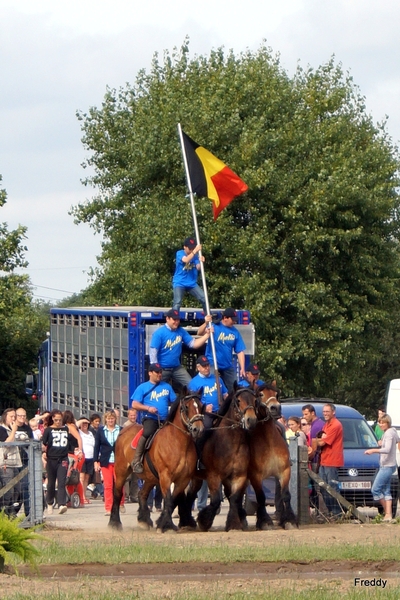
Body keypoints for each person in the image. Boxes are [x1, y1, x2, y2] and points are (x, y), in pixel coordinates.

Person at [188, 355, 228, 510]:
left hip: (220, 413)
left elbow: (225, 395)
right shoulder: (194, 383)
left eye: (208, 365)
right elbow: (191, 402)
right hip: (205, 415)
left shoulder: (217, 379)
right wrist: (204, 407)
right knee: (203, 431)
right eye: (203, 366)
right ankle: (198, 458)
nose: (206, 368)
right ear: (198, 367)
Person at [130, 363, 177, 473]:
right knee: (148, 432)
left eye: (160, 372)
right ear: (150, 373)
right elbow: (134, 404)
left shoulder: (167, 387)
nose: (159, 374)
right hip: (151, 418)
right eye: (157, 372)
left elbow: (175, 402)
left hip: (166, 419)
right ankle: (137, 460)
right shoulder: (143, 387)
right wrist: (148, 408)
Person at [149, 308, 211, 388]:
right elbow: (153, 352)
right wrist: (156, 370)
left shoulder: (180, 331)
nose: (176, 322)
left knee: (192, 386)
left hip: (176, 368)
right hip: (162, 369)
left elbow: (193, 344)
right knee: (155, 388)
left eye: (178, 319)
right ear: (167, 319)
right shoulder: (159, 333)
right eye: (174, 319)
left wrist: (207, 335)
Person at [42, 409, 82, 515]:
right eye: (56, 420)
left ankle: (61, 504)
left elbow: (72, 443)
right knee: (51, 483)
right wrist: (43, 452)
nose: (58, 422)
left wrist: (77, 449)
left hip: (63, 459)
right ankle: (49, 503)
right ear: (52, 419)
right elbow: (43, 443)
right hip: (51, 459)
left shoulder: (66, 429)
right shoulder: (48, 430)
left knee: (62, 481)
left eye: (60, 420)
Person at [197, 308, 246, 392]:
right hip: (212, 363)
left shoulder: (235, 332)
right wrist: (206, 323)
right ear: (225, 318)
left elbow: (240, 351)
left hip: (227, 365)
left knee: (234, 389)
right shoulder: (214, 326)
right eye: (232, 320)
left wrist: (242, 368)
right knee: (212, 387)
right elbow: (199, 332)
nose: (234, 322)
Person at [365, 413, 400, 522]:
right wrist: (382, 443)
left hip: (386, 466)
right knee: (386, 491)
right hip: (389, 465)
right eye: (379, 422)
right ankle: (388, 516)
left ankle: (387, 512)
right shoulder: (391, 432)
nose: (380, 424)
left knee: (375, 489)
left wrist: (373, 450)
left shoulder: (389, 433)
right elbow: (396, 441)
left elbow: (387, 449)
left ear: (387, 423)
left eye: (382, 422)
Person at [93, 410, 125, 516]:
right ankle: (108, 507)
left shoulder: (121, 430)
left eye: (112, 418)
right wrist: (95, 462)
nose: (110, 420)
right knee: (108, 485)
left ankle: (121, 503)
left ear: (115, 419)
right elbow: (96, 447)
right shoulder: (101, 431)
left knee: (119, 484)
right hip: (106, 461)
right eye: (108, 418)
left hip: (119, 461)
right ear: (105, 419)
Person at [316, 403, 344, 519]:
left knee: (332, 488)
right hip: (324, 460)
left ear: (333, 412)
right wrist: (319, 439)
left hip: (332, 461)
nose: (325, 414)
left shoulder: (335, 425)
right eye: (324, 412)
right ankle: (332, 512)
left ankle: (337, 513)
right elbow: (321, 438)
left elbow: (322, 442)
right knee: (323, 488)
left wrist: (315, 441)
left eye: (327, 411)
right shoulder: (326, 425)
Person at [172, 236, 207, 313]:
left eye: (193, 248)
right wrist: (195, 251)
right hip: (179, 282)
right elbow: (186, 260)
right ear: (185, 247)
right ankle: (174, 319)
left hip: (191, 283)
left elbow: (198, 267)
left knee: (204, 298)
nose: (191, 250)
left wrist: (201, 262)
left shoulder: (195, 256)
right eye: (190, 248)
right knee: (177, 302)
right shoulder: (179, 253)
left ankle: (209, 317)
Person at [302, 403, 325, 510]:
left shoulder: (316, 426)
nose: (304, 417)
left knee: (317, 487)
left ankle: (320, 511)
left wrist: (308, 457)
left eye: (306, 414)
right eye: (304, 414)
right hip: (316, 459)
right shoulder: (318, 424)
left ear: (313, 413)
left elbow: (314, 447)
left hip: (316, 460)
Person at [0, 408, 22, 517]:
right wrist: (13, 430)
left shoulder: (12, 429)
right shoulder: (2, 429)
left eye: (15, 416)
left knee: (18, 490)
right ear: (5, 417)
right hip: (5, 463)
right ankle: (4, 513)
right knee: (8, 490)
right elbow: (7, 444)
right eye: (11, 417)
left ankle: (12, 512)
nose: (13, 419)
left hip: (15, 463)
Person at [15, 407, 34, 518]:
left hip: (25, 461)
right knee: (14, 489)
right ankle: (12, 512)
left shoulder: (28, 429)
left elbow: (31, 442)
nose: (22, 418)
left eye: (24, 416)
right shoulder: (11, 427)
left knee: (25, 487)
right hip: (13, 461)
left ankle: (29, 514)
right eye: (20, 416)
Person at [78, 416, 96, 504]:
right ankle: (82, 496)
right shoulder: (79, 432)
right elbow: (74, 424)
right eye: (83, 423)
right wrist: (81, 420)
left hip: (91, 457)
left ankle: (84, 495)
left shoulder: (91, 433)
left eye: (86, 423)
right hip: (83, 457)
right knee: (81, 477)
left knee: (86, 478)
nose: (85, 425)